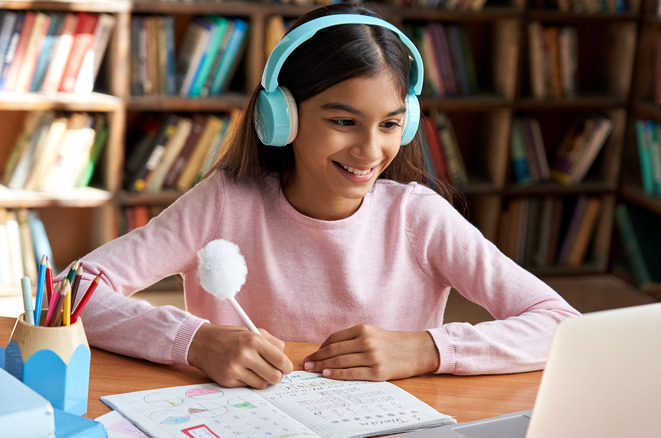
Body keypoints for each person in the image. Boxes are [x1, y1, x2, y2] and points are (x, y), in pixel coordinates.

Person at [63, 3, 580, 389]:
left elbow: (560, 325)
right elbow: (71, 293)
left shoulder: (418, 217)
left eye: (390, 124)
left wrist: (427, 349)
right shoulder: (225, 202)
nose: (370, 149)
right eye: (342, 121)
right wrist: (192, 340)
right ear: (281, 116)